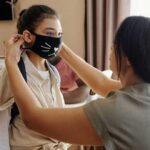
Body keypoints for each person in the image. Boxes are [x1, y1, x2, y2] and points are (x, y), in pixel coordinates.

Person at [6, 16, 150, 150]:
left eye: (116, 43)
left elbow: (33, 119)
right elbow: (102, 84)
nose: (111, 47)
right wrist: (57, 44)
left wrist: (11, 62)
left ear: (128, 59)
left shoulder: (116, 112)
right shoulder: (141, 92)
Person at [0, 4, 71, 150]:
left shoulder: (53, 73)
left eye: (59, 35)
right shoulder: (14, 71)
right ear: (28, 36)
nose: (56, 41)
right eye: (50, 34)